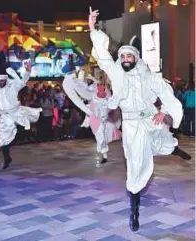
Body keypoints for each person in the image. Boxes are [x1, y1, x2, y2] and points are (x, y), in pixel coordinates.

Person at [88, 7, 191, 232]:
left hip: (150, 121)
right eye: (123, 56)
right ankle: (134, 212)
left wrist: (165, 112)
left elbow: (167, 94)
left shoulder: (148, 76)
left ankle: (175, 148)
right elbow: (104, 57)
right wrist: (91, 28)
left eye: (129, 56)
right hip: (132, 126)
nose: (125, 59)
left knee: (163, 140)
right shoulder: (116, 73)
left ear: (136, 58)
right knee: (136, 166)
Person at [0, 59, 42, 169]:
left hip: (17, 112)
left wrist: (28, 71)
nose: (0, 83)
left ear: (5, 80)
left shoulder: (13, 86)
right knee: (3, 141)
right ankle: (7, 158)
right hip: (5, 116)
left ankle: (23, 130)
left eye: (2, 81)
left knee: (33, 118)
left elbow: (23, 81)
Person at [63, 72, 121, 164]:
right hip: (96, 121)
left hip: (104, 120)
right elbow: (89, 109)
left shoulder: (108, 96)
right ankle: (103, 152)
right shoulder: (93, 96)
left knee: (102, 137)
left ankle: (104, 154)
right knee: (99, 136)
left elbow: (111, 106)